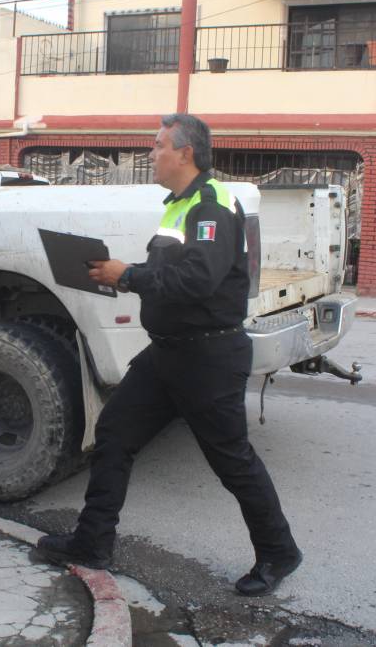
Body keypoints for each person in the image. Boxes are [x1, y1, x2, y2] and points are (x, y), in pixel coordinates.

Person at [34, 113, 302, 597]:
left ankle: (279, 552)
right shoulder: (178, 206)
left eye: (158, 146)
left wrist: (127, 277)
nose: (150, 154)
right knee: (114, 433)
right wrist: (115, 271)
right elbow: (169, 271)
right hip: (168, 354)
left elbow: (198, 282)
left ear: (186, 153)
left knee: (232, 462)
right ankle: (92, 543)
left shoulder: (213, 205)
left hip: (209, 357)